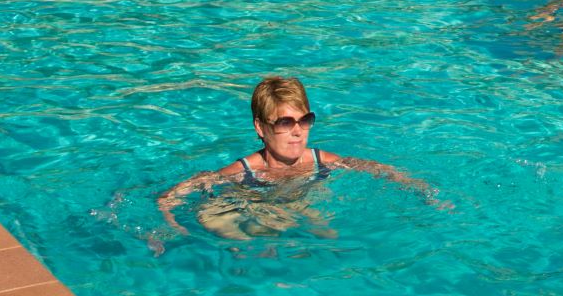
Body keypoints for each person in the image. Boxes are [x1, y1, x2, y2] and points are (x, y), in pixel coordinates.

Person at [157, 74, 436, 238]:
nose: (298, 132)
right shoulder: (246, 170)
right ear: (261, 127)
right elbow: (171, 196)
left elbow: (378, 169)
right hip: (257, 212)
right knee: (211, 215)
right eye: (285, 123)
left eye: (305, 120)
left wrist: (423, 190)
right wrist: (168, 224)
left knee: (330, 236)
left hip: (302, 213)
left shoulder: (320, 160)